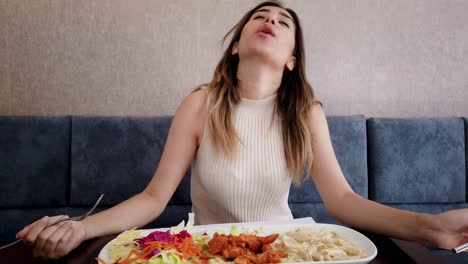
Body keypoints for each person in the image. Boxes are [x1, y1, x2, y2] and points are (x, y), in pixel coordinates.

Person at [16, 0, 468, 259]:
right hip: (208, 251)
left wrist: (430, 228)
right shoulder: (200, 104)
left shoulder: (306, 111)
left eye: (283, 21)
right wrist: (80, 228)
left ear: (292, 59)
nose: (270, 20)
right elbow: (153, 199)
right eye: (260, 16)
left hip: (283, 250)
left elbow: (344, 202)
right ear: (236, 46)